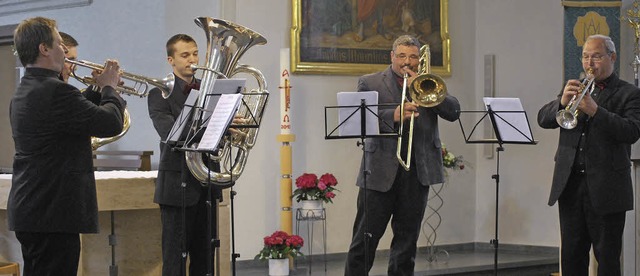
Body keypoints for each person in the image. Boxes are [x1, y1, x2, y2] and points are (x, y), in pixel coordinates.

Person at [9, 17, 125, 275]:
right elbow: (110, 123)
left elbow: (74, 116)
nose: (64, 50)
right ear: (44, 49)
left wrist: (98, 90)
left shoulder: (29, 88)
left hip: (37, 210)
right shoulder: (55, 91)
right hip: (52, 212)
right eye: (60, 43)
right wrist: (109, 89)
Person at [344, 35, 460, 275]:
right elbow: (359, 121)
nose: (407, 61)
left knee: (406, 244)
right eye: (402, 56)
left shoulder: (429, 82)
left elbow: (453, 111)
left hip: (417, 172)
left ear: (420, 59)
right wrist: (393, 116)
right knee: (364, 240)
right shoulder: (370, 82)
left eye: (413, 56)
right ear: (392, 56)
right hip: (378, 173)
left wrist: (424, 86)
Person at [538, 34, 640, 275]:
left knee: (607, 260)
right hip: (571, 185)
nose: (589, 63)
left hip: (607, 188)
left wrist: (596, 111)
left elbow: (631, 131)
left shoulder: (630, 93)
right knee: (572, 258)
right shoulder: (574, 88)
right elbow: (543, 119)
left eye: (596, 56)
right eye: (585, 57)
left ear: (612, 57)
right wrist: (562, 104)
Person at [148, 34, 216, 276]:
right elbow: (170, 133)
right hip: (177, 186)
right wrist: (213, 126)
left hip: (206, 184)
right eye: (185, 55)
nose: (192, 60)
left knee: (205, 259)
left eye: (195, 53)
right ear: (171, 60)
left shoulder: (210, 90)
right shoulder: (159, 93)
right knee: (175, 260)